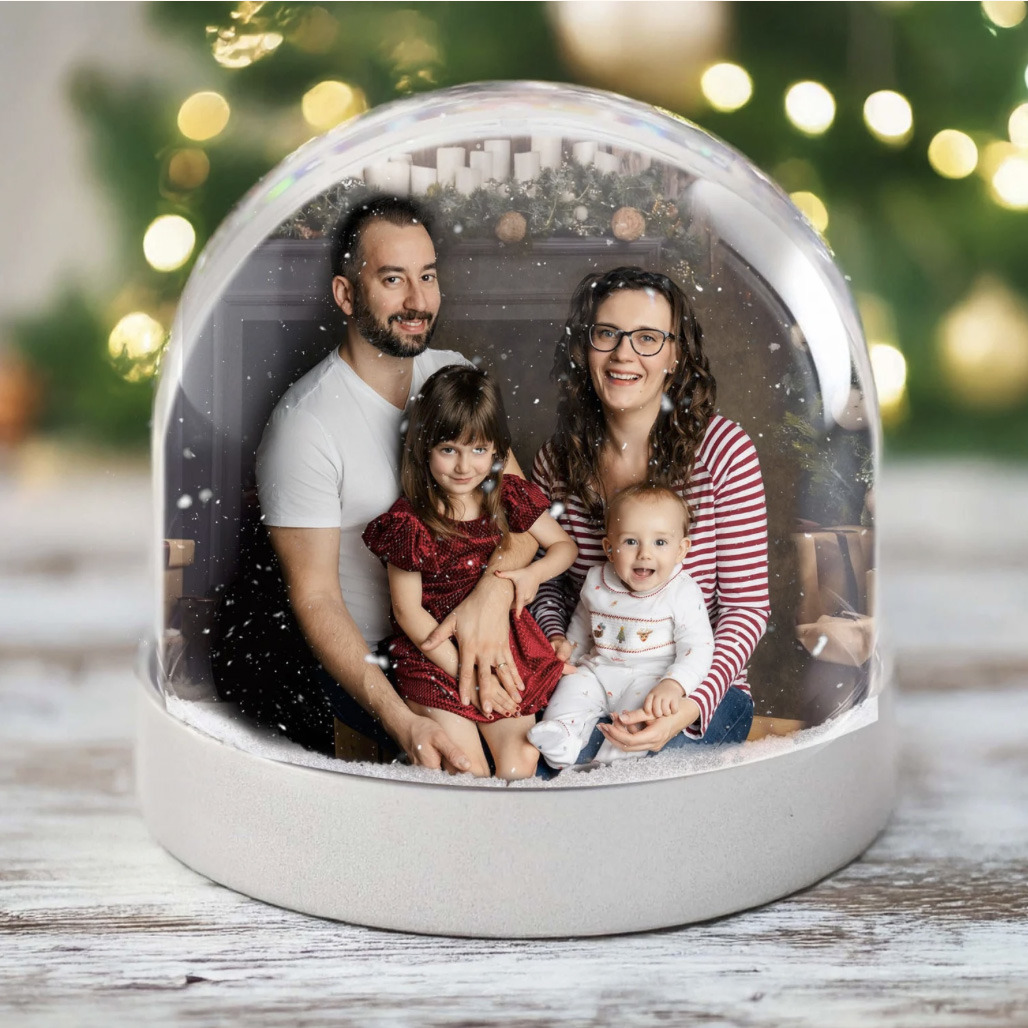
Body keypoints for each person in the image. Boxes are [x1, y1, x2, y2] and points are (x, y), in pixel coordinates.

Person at [246, 194, 542, 772]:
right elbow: (316, 598)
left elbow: (523, 521)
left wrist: (492, 595)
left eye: (427, 276)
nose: (417, 301)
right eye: (392, 279)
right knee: (464, 769)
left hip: (483, 627)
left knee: (546, 751)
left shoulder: (454, 375)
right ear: (346, 294)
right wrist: (401, 718)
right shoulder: (304, 426)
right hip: (382, 662)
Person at [532, 266, 770, 759]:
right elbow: (548, 585)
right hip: (595, 682)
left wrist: (687, 704)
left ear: (675, 355)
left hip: (699, 691)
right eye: (607, 334)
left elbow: (747, 610)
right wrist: (559, 647)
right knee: (535, 765)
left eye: (647, 338)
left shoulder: (724, 451)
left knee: (626, 782)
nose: (623, 354)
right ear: (584, 347)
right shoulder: (555, 462)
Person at [363, 365, 577, 779]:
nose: (464, 466)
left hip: (501, 648)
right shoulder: (410, 523)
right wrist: (470, 677)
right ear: (424, 448)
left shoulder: (508, 496)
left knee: (520, 763)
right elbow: (409, 613)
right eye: (449, 449)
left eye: (478, 450)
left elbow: (563, 546)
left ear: (497, 451)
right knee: (468, 773)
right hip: (435, 657)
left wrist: (534, 574)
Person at [529, 484, 713, 770]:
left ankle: (613, 765)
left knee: (642, 717)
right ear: (609, 548)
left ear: (681, 549)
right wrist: (569, 658)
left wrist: (674, 684)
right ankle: (562, 736)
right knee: (571, 689)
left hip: (651, 676)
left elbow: (698, 647)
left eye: (660, 543)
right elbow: (582, 624)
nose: (644, 554)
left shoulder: (682, 591)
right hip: (599, 670)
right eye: (630, 542)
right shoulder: (596, 580)